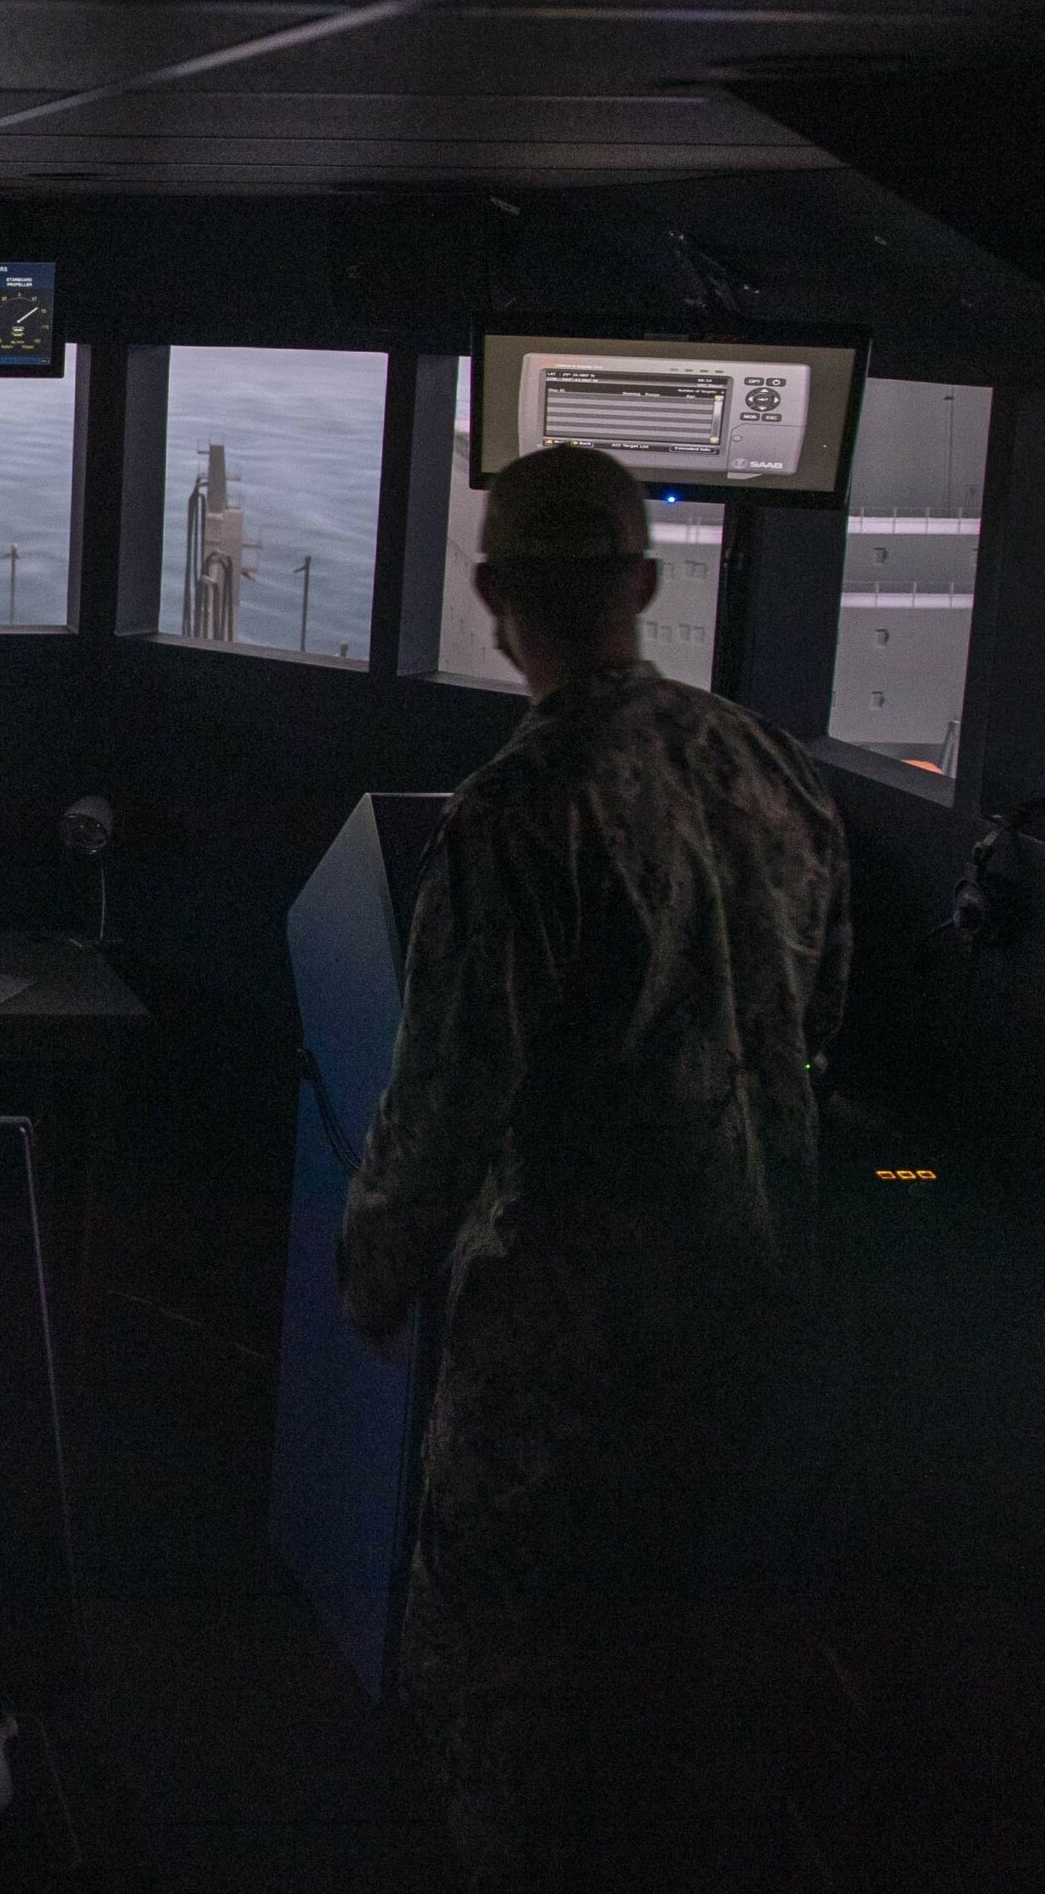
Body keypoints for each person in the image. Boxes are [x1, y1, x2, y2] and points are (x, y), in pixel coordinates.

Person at [337, 446, 850, 1890]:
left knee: (523, 1707)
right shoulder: (763, 764)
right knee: (687, 1697)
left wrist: (377, 1270)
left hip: (569, 1353)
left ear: (491, 592)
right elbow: (818, 1018)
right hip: (757, 1318)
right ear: (646, 584)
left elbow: (449, 1091)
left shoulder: (516, 810)